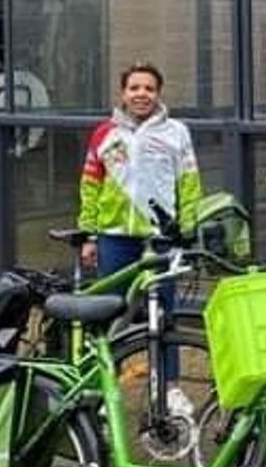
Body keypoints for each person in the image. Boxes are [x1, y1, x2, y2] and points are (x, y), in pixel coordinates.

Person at [77, 62, 202, 414]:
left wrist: (187, 231)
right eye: (134, 88)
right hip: (114, 237)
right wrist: (88, 234)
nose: (141, 94)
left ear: (158, 93)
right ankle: (105, 388)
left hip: (161, 238)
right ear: (123, 93)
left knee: (164, 314)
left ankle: (170, 387)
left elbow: (190, 185)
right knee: (109, 315)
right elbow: (89, 186)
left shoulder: (177, 132)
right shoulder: (103, 134)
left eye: (148, 88)